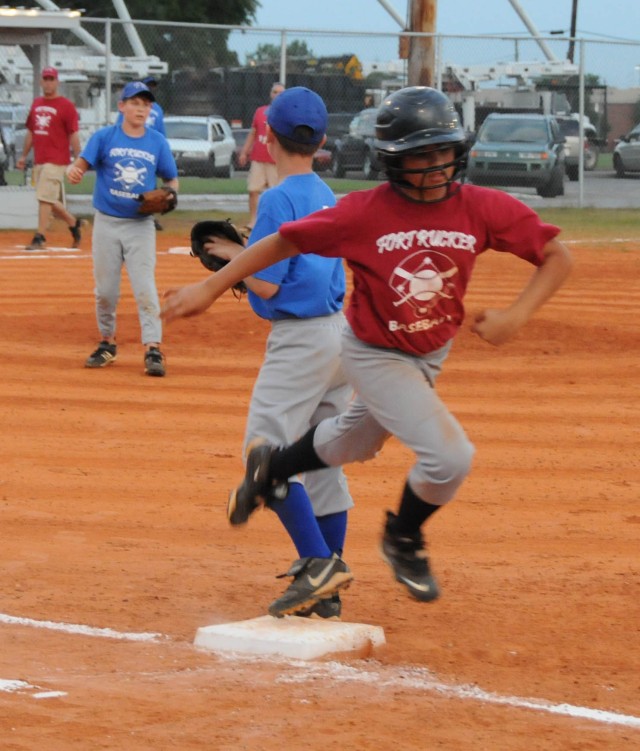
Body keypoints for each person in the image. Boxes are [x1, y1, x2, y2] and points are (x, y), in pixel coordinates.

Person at [161, 86, 573, 610]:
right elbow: (285, 242)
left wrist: (518, 315)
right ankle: (400, 537)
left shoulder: (480, 208)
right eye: (420, 155)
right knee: (450, 457)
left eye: (443, 151)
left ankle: (277, 475)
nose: (434, 165)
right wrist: (210, 287)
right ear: (393, 162)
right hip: (371, 350)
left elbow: (556, 256)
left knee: (351, 442)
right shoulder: (363, 211)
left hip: (424, 353)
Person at [201, 87, 354, 619]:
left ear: (267, 138)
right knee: (323, 460)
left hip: (300, 342)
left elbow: (265, 283)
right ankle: (328, 589)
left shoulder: (277, 198)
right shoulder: (328, 194)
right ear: (323, 142)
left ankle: (317, 564)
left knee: (264, 452)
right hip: (341, 334)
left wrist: (231, 263)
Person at [66, 81, 179, 378]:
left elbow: (171, 180)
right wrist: (74, 171)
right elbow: (78, 165)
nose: (141, 108)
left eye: (146, 104)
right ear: (122, 107)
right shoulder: (105, 137)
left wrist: (169, 196)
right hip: (107, 222)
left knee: (145, 288)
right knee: (106, 291)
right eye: (135, 103)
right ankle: (107, 343)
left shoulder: (156, 142)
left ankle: (153, 348)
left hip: (140, 226)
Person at [17, 67, 83, 251]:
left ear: (57, 82)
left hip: (57, 159)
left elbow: (73, 134)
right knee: (46, 199)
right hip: (40, 159)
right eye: (45, 79)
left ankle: (40, 237)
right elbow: (31, 131)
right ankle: (73, 222)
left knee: (44, 197)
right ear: (40, 82)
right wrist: (23, 156)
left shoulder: (66, 105)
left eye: (51, 79)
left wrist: (80, 160)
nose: (48, 82)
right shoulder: (37, 103)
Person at [238, 82, 285, 232]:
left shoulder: (286, 113)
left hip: (275, 161)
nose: (277, 95)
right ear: (270, 94)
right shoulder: (260, 111)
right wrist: (245, 151)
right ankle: (253, 221)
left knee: (275, 194)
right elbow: (253, 133)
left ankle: (276, 223)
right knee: (253, 190)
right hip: (259, 158)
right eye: (274, 92)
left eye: (280, 92)